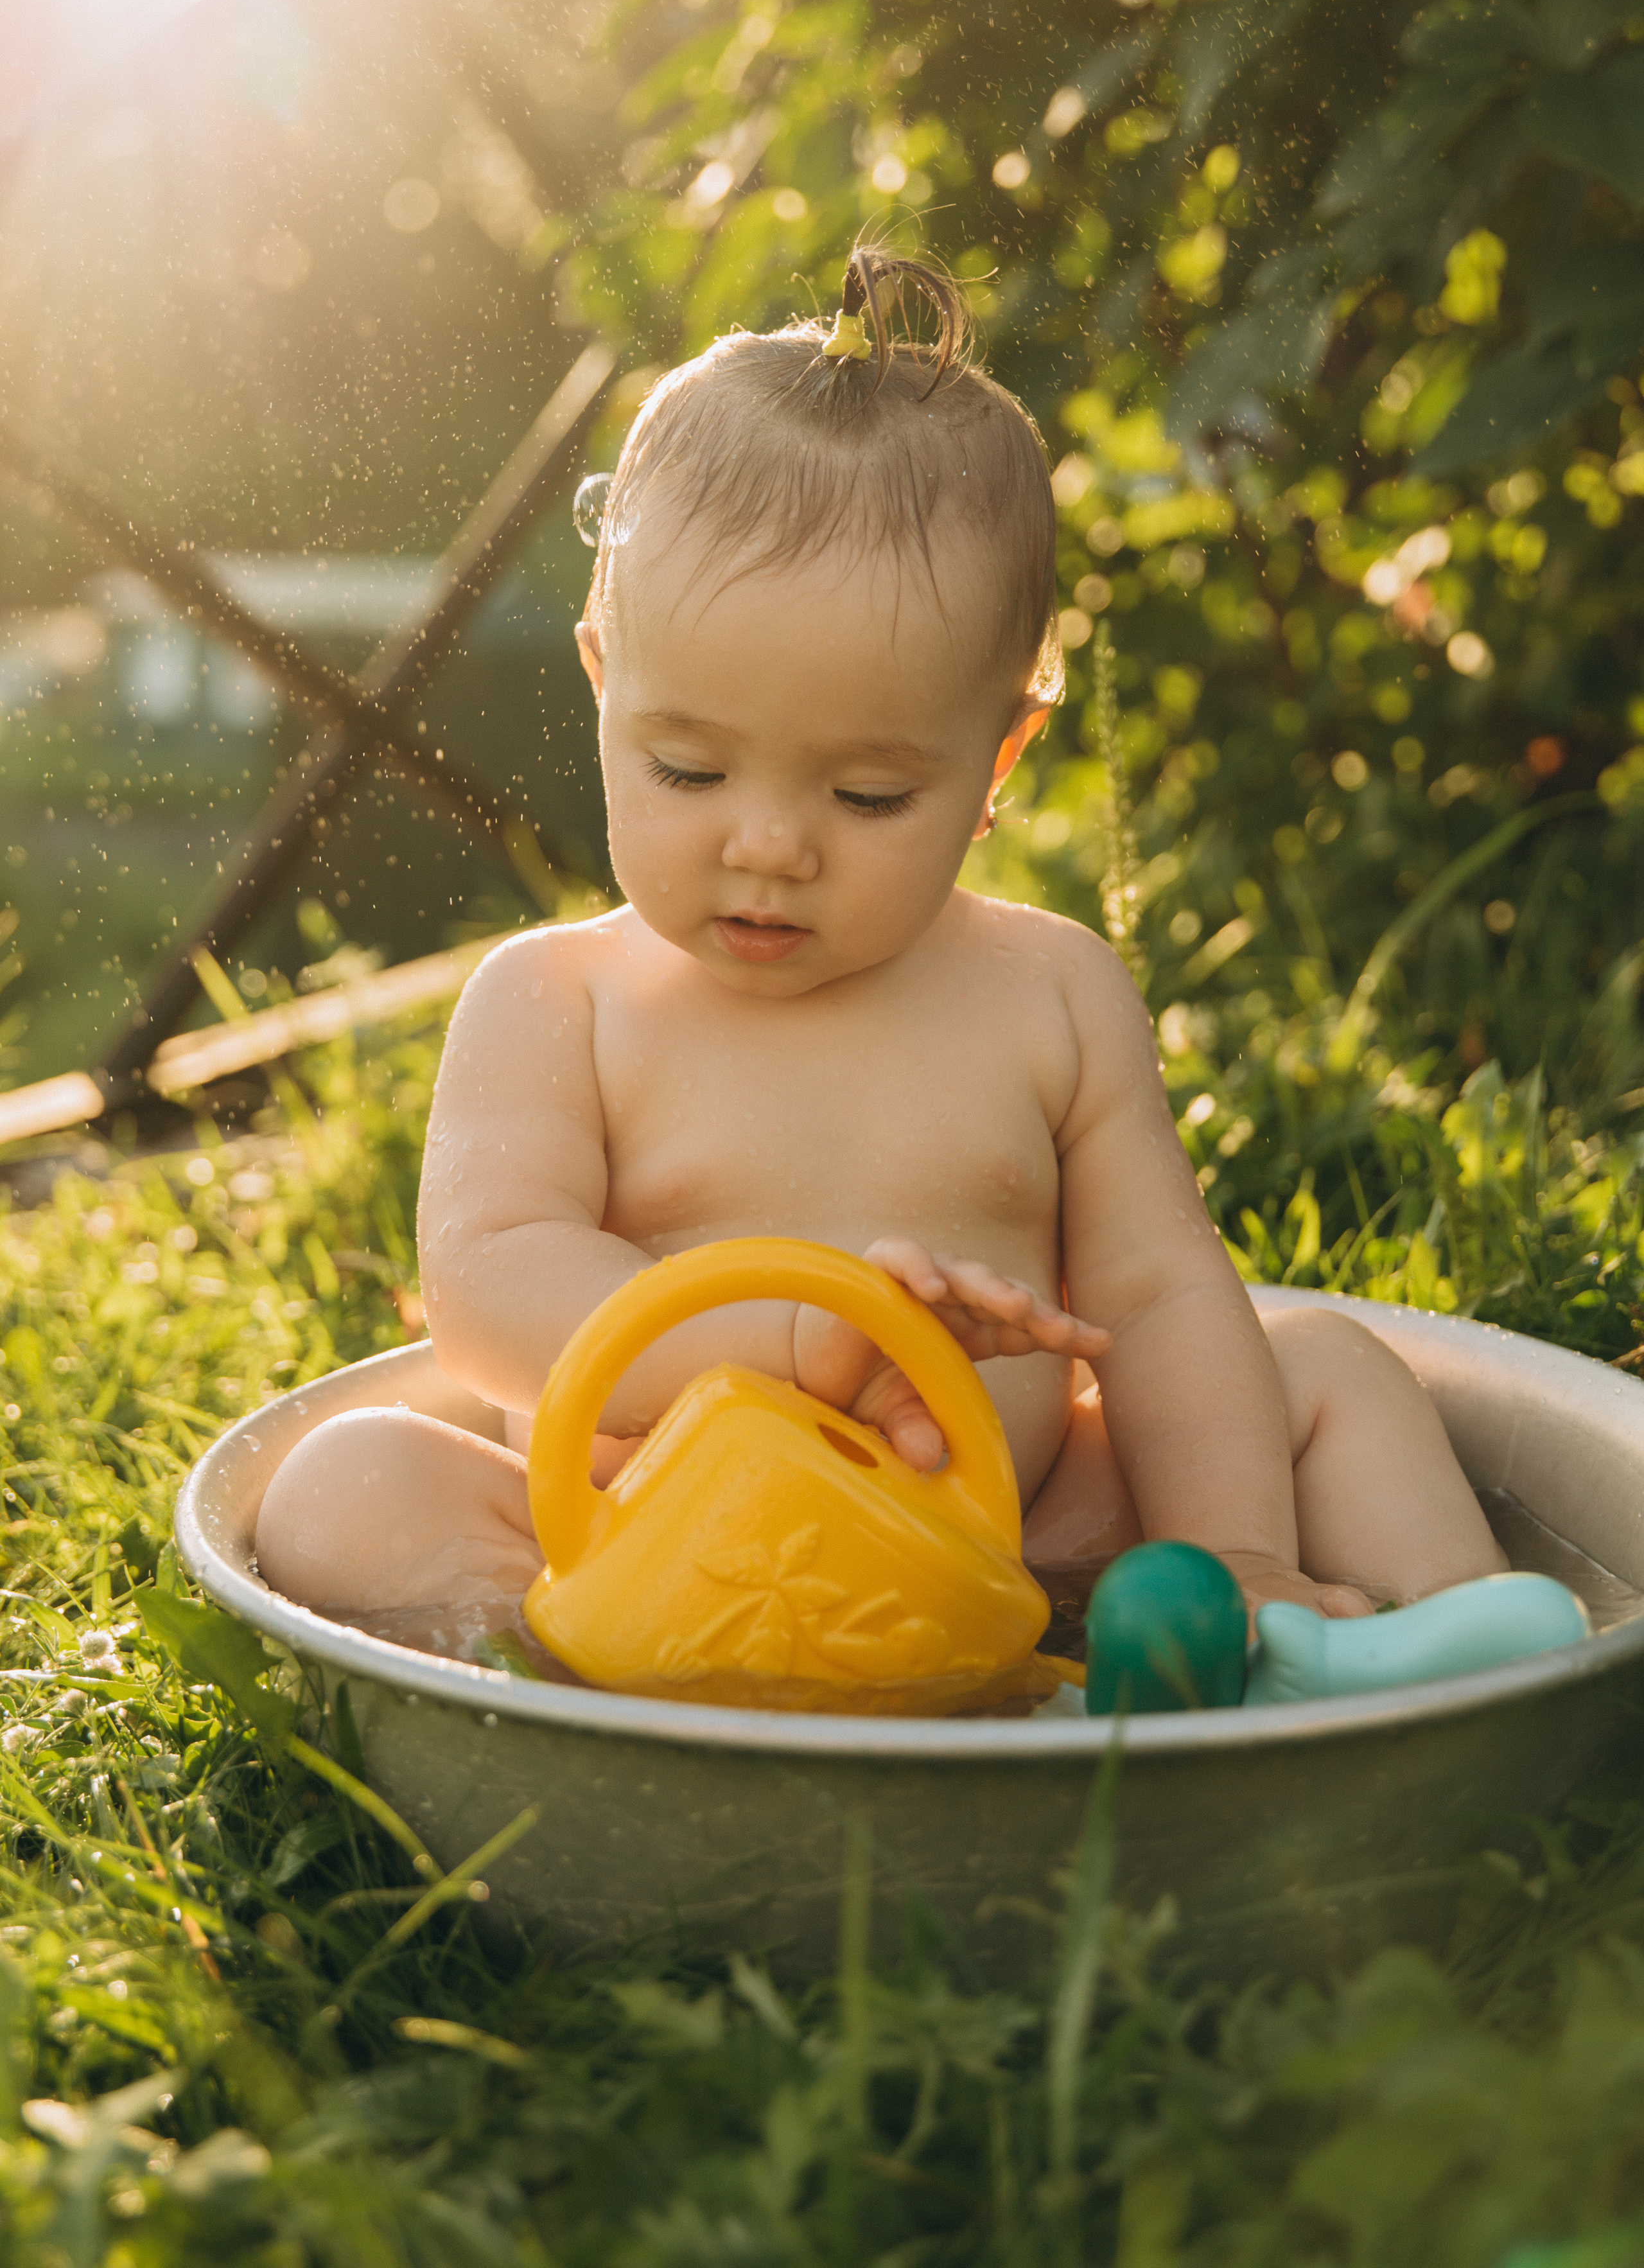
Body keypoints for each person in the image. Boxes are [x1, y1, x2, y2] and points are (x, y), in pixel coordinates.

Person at [254, 245, 1505, 1665]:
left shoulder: (1051, 994)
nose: (770, 846)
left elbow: (1156, 1296)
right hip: (659, 1553)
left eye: (866, 798)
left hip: (1022, 1544)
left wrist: (1229, 1546)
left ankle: (1421, 1669)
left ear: (998, 758)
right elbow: (489, 1295)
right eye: (687, 770)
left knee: (1328, 1374)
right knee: (343, 1484)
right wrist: (797, 1336)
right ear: (604, 681)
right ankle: (566, 1666)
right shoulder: (561, 1002)